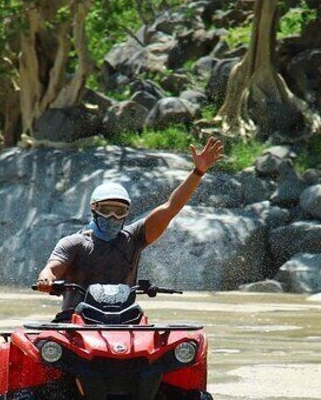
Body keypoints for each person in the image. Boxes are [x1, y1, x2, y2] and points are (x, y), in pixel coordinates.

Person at [36, 136, 224, 318]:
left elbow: (170, 207)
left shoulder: (133, 238)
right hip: (76, 320)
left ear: (127, 213)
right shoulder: (74, 243)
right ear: (94, 209)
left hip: (124, 318)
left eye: (119, 211)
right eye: (107, 210)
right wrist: (46, 278)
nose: (113, 216)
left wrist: (198, 171)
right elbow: (52, 268)